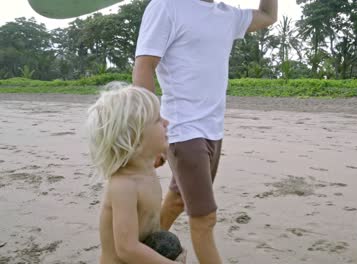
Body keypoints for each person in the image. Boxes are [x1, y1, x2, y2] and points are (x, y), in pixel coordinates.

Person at [132, 0, 277, 263]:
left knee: (177, 200)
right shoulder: (167, 6)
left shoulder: (225, 15)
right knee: (205, 219)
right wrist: (149, 130)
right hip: (183, 130)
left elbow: (268, 15)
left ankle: (138, 251)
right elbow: (144, 65)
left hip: (213, 132)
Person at [86, 84, 185, 264]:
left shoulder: (145, 166)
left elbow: (155, 153)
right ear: (135, 139)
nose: (166, 122)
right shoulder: (124, 186)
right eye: (157, 119)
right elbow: (127, 249)